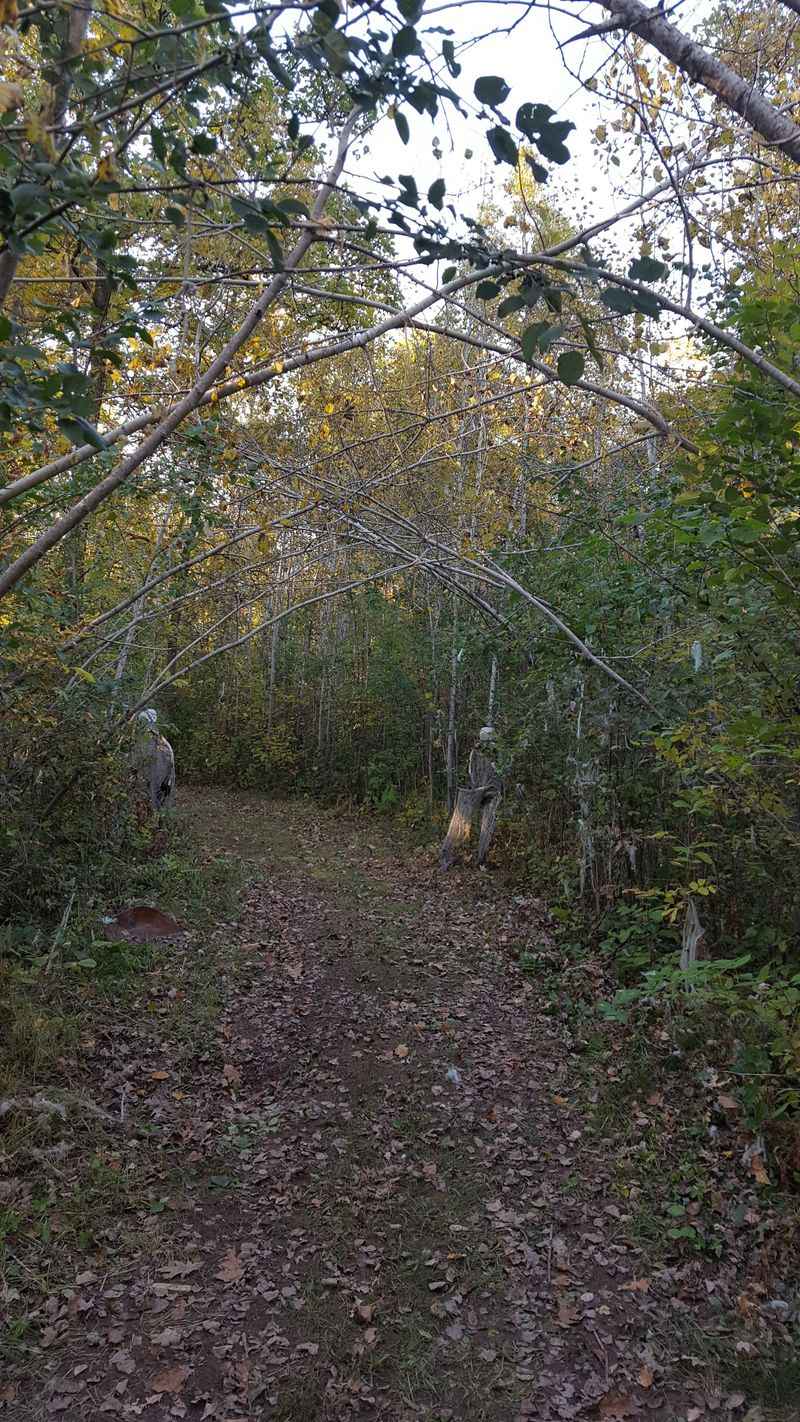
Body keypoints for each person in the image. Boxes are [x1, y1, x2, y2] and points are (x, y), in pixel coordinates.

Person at [440, 725, 502, 869]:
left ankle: (482, 858)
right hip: (486, 792)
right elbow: (477, 771)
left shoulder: (484, 751)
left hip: (487, 792)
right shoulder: (481, 751)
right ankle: (478, 858)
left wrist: (477, 786)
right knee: (481, 825)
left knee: (487, 826)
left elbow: (473, 771)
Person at [132, 708, 176, 813]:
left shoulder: (157, 741)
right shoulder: (158, 741)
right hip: (152, 778)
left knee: (154, 794)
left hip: (156, 777)